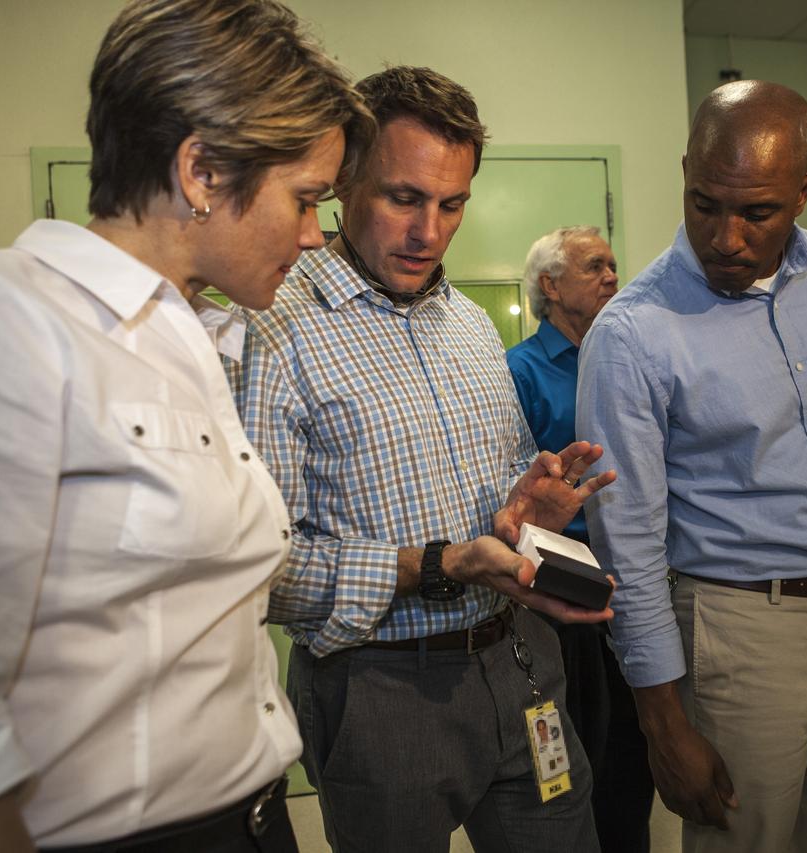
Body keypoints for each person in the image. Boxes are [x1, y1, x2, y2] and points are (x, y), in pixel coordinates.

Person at [0, 1, 372, 851]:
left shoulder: (205, 338)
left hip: (256, 822)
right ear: (202, 172)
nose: (313, 236)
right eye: (304, 201)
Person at [227, 66, 614, 853]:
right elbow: (260, 569)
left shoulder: (470, 324)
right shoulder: (272, 330)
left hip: (520, 660)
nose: (428, 232)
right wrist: (437, 563)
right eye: (404, 198)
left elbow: (499, 508)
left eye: (452, 204)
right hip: (380, 689)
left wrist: (523, 514)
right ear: (342, 181)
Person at [575, 79, 807, 853]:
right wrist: (663, 720)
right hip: (738, 633)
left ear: (804, 190)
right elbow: (630, 544)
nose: (726, 237)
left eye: (758, 212)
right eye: (705, 202)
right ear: (686, 171)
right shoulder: (634, 332)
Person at [507, 227, 654, 853]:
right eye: (595, 266)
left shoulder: (627, 356)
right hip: (561, 599)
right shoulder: (519, 371)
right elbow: (510, 491)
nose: (611, 276)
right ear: (551, 286)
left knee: (634, 757)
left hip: (637, 584)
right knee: (570, 763)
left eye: (615, 265)